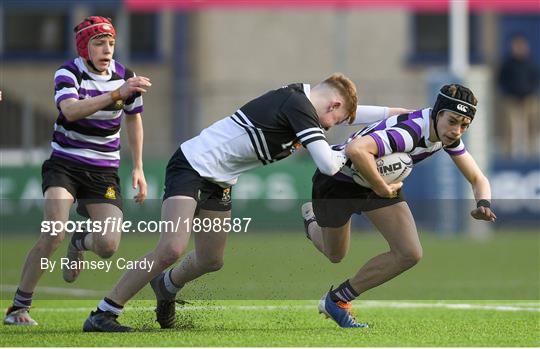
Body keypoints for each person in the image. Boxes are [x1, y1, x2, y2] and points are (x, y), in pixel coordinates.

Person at [82, 73, 409, 331]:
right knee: (171, 249)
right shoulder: (298, 106)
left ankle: (166, 286)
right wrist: (355, 155)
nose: (333, 127)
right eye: (334, 122)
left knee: (211, 259)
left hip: (220, 180)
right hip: (192, 166)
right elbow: (326, 163)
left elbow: (356, 114)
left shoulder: (309, 101)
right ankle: (105, 312)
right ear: (333, 104)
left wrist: (410, 117)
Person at [301, 84, 497, 328]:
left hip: (377, 179)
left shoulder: (445, 134)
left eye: (464, 125)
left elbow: (478, 178)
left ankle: (338, 300)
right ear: (438, 113)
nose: (457, 130)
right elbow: (356, 149)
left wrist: (483, 203)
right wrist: (381, 187)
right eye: (453, 121)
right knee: (335, 254)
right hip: (338, 181)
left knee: (409, 253)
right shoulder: (411, 131)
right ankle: (311, 217)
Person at [3, 16, 151, 326]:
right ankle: (18, 308)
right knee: (53, 232)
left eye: (110, 43)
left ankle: (79, 241)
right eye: (99, 43)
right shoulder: (68, 73)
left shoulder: (126, 76)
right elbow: (69, 110)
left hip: (104, 171)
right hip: (65, 164)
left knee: (108, 246)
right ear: (85, 47)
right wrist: (116, 94)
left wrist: (138, 167)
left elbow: (134, 119)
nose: (107, 49)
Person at [497, 34, 540, 158]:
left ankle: (531, 151)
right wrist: (506, 93)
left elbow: (535, 78)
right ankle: (508, 152)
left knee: (531, 124)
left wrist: (531, 91)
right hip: (511, 99)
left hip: (528, 98)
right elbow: (501, 80)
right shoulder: (507, 63)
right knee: (509, 126)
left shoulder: (530, 62)